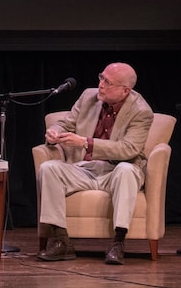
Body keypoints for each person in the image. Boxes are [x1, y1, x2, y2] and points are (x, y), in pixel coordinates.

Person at [35, 62, 154, 266]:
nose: (100, 84)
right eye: (101, 77)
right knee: (48, 168)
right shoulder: (88, 96)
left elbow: (129, 149)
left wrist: (85, 142)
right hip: (85, 169)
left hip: (116, 169)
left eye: (108, 82)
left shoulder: (141, 111)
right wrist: (54, 131)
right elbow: (66, 123)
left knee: (126, 170)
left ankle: (118, 242)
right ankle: (62, 241)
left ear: (125, 90)